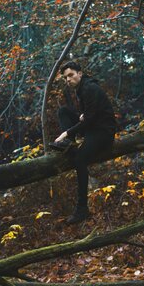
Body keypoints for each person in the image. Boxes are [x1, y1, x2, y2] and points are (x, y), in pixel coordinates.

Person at [49, 61, 117, 224]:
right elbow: (90, 115)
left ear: (80, 73)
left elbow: (92, 119)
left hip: (103, 133)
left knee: (80, 160)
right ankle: (69, 144)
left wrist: (67, 132)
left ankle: (82, 209)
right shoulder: (82, 88)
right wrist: (83, 116)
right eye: (65, 78)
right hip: (94, 127)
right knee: (63, 111)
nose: (68, 80)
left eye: (71, 75)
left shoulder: (89, 88)